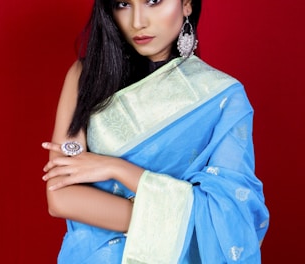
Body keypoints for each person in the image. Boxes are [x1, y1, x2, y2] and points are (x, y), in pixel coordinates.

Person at [41, 0, 269, 263]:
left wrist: (116, 169)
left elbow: (230, 215)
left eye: (153, 1)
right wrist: (164, 215)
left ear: (186, 5)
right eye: (123, 3)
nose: (138, 21)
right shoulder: (87, 77)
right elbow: (61, 198)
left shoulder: (223, 98)